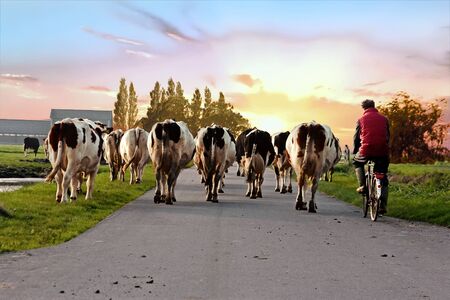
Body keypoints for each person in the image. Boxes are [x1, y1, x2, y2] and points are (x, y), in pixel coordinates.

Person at [353, 99, 390, 214]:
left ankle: (363, 186)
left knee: (357, 163)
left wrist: (355, 150)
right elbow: (388, 136)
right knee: (382, 176)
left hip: (366, 150)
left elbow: (356, 138)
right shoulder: (385, 119)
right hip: (382, 151)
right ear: (374, 106)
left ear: (364, 108)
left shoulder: (361, 120)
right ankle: (382, 205)